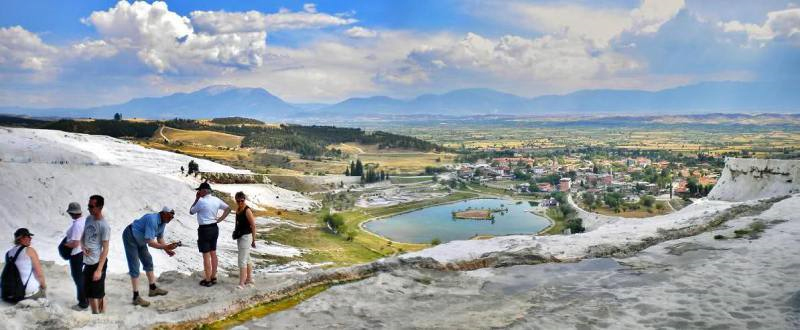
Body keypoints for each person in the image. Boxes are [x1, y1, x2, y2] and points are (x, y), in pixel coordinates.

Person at [123, 207, 180, 306]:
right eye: (169, 216)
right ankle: (136, 297)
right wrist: (165, 246)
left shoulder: (163, 222)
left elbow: (160, 238)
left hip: (141, 240)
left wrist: (167, 250)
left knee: (148, 260)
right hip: (130, 236)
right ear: (163, 213)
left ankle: (153, 289)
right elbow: (150, 243)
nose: (170, 219)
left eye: (172, 218)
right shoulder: (152, 219)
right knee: (135, 265)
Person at [190, 182, 231, 287]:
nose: (198, 192)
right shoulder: (216, 200)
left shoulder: (201, 201)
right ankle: (213, 276)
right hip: (214, 228)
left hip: (204, 230)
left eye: (200, 190)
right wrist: (220, 219)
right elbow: (228, 208)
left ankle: (207, 280)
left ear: (204, 191)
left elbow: (191, 211)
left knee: (206, 255)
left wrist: (196, 199)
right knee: (213, 253)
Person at [82, 195, 110, 314]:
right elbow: (83, 236)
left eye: (91, 206)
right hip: (87, 262)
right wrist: (82, 246)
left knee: (96, 294)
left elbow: (106, 249)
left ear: (100, 207)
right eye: (88, 205)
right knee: (91, 293)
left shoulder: (104, 226)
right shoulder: (89, 218)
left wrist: (99, 270)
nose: (89, 208)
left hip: (98, 263)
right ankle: (98, 316)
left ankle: (99, 317)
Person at [3, 228, 46, 301]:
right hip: (27, 293)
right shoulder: (30, 250)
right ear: (21, 238)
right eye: (28, 236)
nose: (30, 238)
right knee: (42, 292)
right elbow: (39, 274)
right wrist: (43, 286)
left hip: (10, 293)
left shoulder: (8, 253)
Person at [63, 202, 88, 310]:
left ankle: (83, 303)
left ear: (72, 213)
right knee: (82, 277)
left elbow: (75, 243)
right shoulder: (84, 220)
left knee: (78, 278)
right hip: (83, 252)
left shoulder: (77, 224)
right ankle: (87, 298)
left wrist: (64, 245)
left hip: (76, 254)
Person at [233, 192, 256, 290]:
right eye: (238, 201)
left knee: (241, 260)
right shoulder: (238, 209)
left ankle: (242, 283)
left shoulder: (247, 210)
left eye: (241, 201)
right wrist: (235, 231)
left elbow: (253, 225)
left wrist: (253, 240)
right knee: (247, 258)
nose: (240, 202)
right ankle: (249, 278)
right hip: (240, 236)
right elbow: (237, 222)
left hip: (247, 237)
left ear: (244, 199)